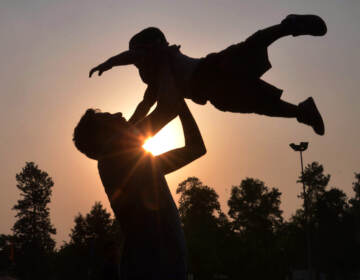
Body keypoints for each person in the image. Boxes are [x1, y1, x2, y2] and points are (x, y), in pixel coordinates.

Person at [89, 14, 327, 135]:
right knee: (259, 103)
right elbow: (144, 105)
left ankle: (288, 26)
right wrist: (128, 129)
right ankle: (302, 111)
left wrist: (109, 62)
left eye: (140, 57)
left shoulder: (162, 56)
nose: (138, 64)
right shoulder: (157, 83)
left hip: (210, 70)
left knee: (249, 49)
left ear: (153, 46)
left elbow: (132, 57)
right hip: (215, 94)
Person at [73, 65, 206, 279]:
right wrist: (166, 69)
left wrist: (171, 96)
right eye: (108, 116)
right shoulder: (115, 159)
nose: (117, 113)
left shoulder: (130, 163)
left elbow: (196, 148)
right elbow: (167, 110)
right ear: (104, 136)